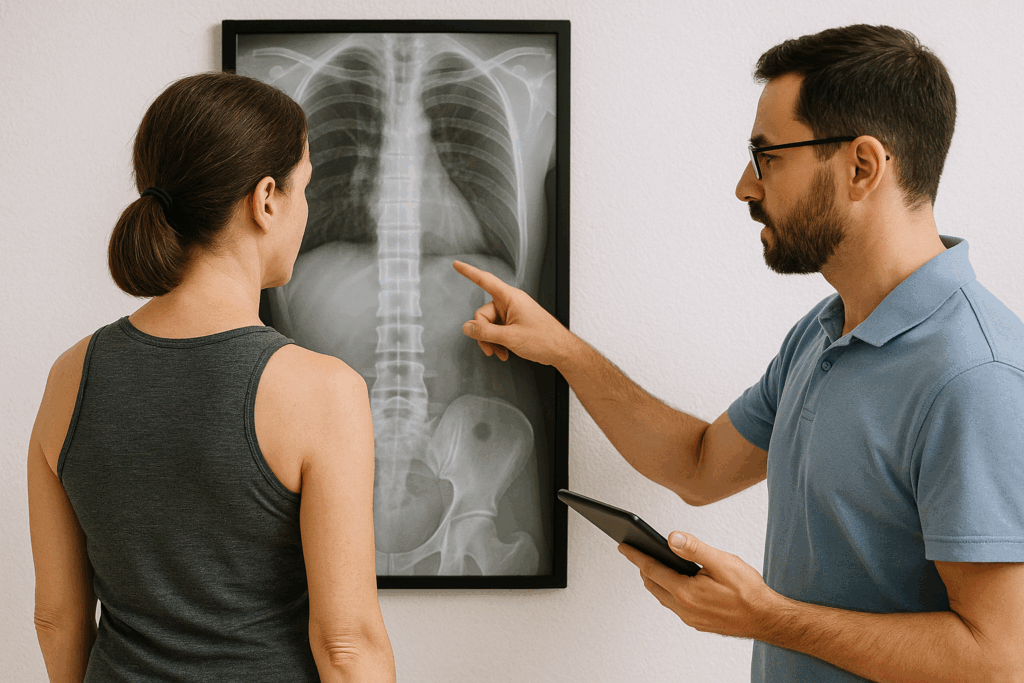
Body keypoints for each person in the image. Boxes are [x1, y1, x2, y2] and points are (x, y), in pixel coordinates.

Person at [453, 24, 1024, 683]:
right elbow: (699, 466)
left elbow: (998, 658)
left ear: (862, 166)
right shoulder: (822, 332)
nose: (744, 187)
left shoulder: (977, 376)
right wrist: (562, 349)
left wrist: (769, 617)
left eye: (767, 157)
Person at [27, 72, 396, 682]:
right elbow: (348, 645)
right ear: (267, 198)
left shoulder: (70, 375)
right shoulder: (321, 390)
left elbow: (57, 618)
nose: (306, 209)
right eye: (305, 187)